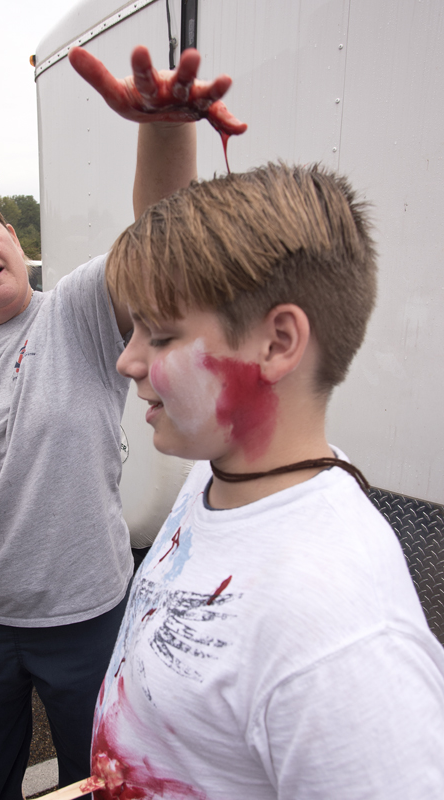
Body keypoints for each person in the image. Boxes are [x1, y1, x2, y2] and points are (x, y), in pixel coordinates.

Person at [0, 46, 246, 800]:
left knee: (103, 777)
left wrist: (166, 125)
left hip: (86, 615)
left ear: (10, 232)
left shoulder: (76, 313)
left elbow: (161, 231)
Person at [90, 164, 444, 799]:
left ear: (278, 343)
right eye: (132, 329)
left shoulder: (335, 633)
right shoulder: (219, 474)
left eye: (161, 335)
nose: (127, 360)